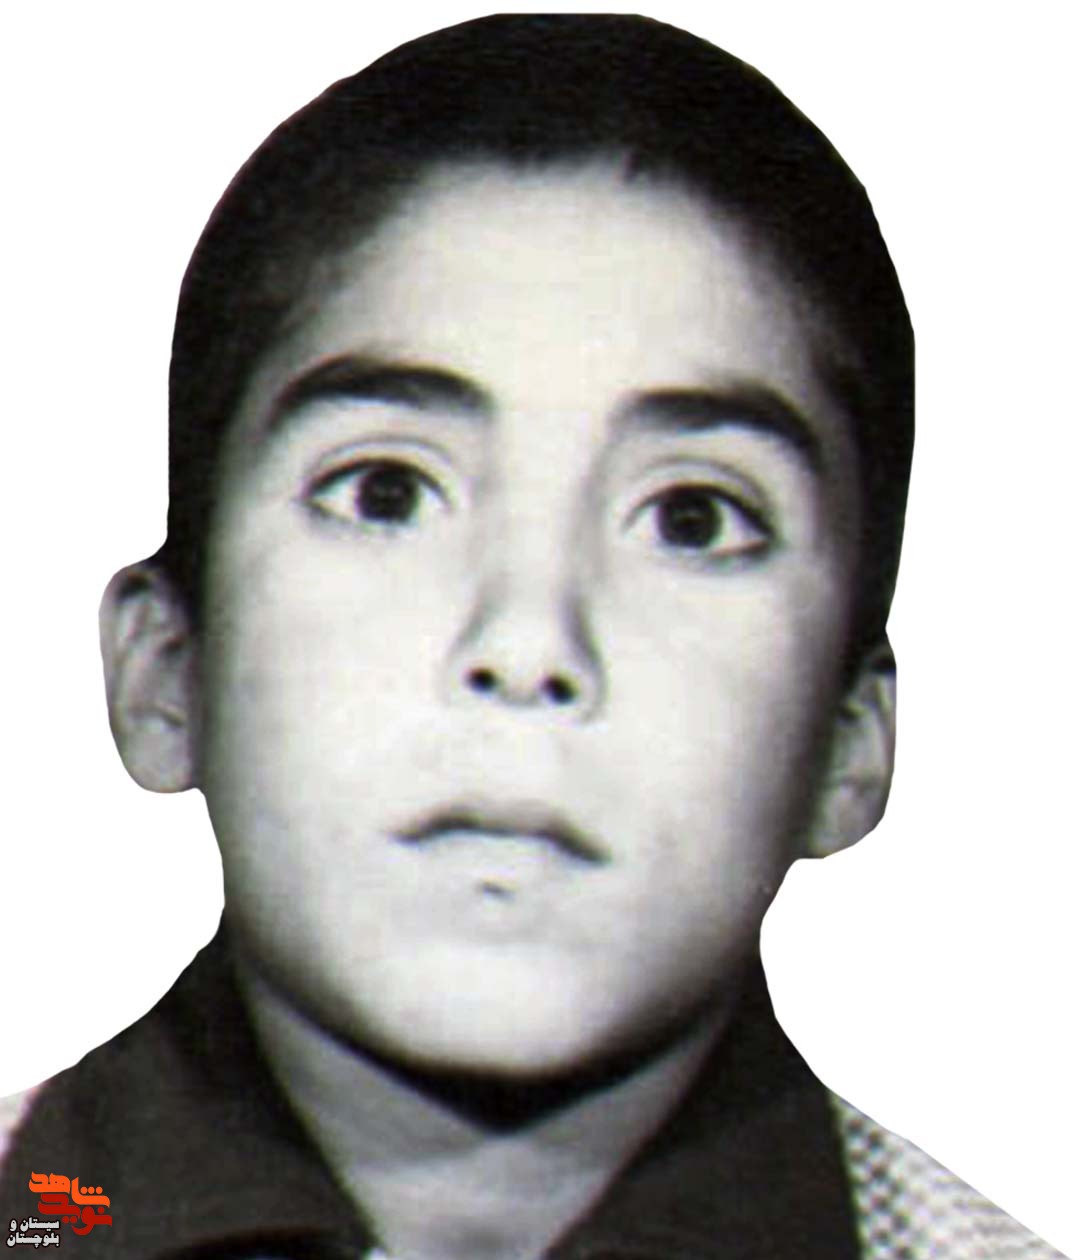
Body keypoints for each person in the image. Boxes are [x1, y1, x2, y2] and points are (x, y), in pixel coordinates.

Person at [0, 14, 1067, 1259]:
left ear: (849, 744)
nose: (526, 643)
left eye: (691, 519)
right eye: (386, 493)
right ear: (164, 672)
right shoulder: (43, 1211)